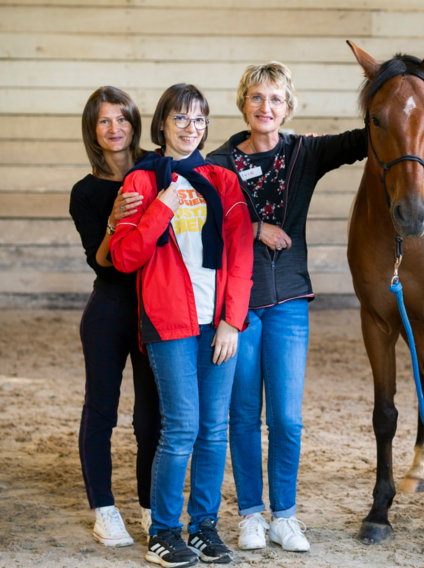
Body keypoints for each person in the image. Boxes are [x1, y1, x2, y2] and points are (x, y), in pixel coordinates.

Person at [205, 62, 367, 552]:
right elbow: (208, 224)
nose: (265, 107)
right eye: (256, 97)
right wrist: (253, 229)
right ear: (243, 103)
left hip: (290, 299)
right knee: (243, 413)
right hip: (238, 305)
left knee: (287, 419)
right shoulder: (219, 161)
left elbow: (363, 140)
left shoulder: (305, 151)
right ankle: (251, 514)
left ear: (289, 107)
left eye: (275, 99)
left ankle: (285, 515)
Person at [110, 84, 254, 567]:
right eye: (181, 119)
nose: (191, 129)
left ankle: (203, 527)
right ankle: (164, 531)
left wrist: (233, 321)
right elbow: (125, 257)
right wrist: (162, 207)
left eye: (199, 120)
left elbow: (240, 253)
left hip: (217, 322)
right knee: (182, 428)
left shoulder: (222, 179)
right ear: (163, 124)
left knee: (215, 430)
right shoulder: (142, 180)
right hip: (169, 322)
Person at [69, 86, 160, 548]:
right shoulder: (85, 192)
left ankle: (148, 508)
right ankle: (104, 510)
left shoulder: (156, 168)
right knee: (101, 411)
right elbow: (102, 261)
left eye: (121, 119)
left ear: (133, 122)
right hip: (108, 308)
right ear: (94, 130)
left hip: (154, 309)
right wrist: (113, 219)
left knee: (151, 419)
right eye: (104, 121)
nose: (115, 128)